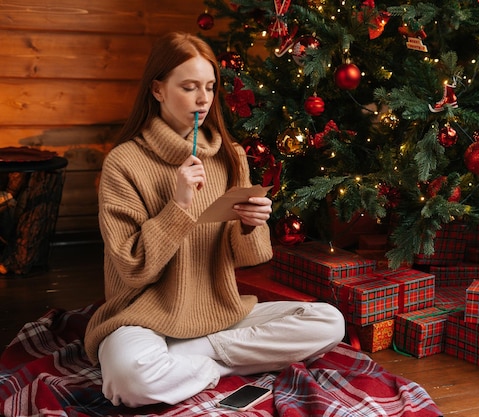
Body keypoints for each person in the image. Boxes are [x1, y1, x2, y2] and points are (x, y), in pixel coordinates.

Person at [84, 32, 345, 408]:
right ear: (157, 90)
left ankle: (195, 356)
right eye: (189, 87)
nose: (203, 99)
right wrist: (178, 207)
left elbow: (249, 257)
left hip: (218, 314)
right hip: (140, 319)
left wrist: (251, 224)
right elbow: (132, 269)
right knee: (130, 379)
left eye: (209, 86)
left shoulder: (231, 155)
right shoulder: (123, 163)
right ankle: (220, 361)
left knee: (329, 321)